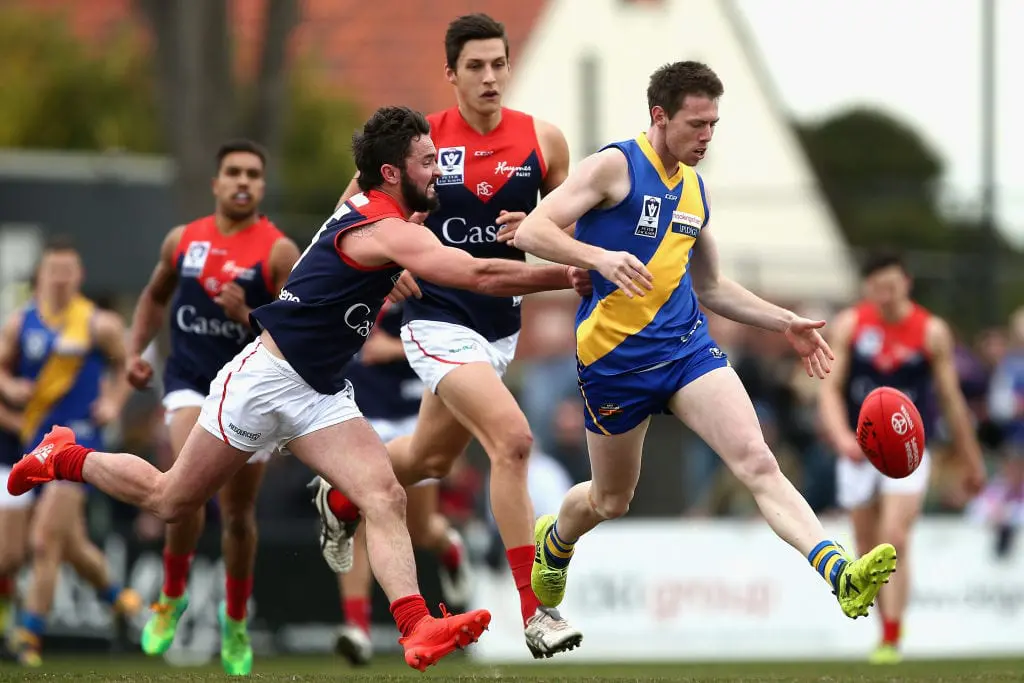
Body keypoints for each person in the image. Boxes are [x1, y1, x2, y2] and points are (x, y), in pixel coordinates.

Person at [6, 105, 582, 673]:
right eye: (428, 163)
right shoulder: (382, 226)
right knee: (171, 498)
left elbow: (387, 235)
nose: (440, 173)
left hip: (321, 394)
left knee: (383, 496)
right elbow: (478, 273)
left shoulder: (384, 217)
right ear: (391, 174)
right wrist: (575, 272)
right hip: (265, 380)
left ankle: (414, 624)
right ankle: (65, 455)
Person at [511, 61, 901, 625]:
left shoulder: (694, 189)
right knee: (610, 501)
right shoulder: (615, 167)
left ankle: (838, 571)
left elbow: (711, 285)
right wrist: (598, 257)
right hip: (614, 365)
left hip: (688, 350)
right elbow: (531, 230)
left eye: (714, 125)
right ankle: (556, 542)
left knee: (758, 461)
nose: (707, 137)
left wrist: (783, 321)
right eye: (696, 124)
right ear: (660, 116)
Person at [319, 13, 584, 658]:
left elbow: (575, 232)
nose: (489, 77)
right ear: (451, 74)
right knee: (514, 441)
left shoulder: (543, 142)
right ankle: (536, 612)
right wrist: (386, 267)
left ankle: (341, 499)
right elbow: (348, 216)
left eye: (498, 63)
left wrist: (542, 230)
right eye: (475, 66)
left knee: (431, 461)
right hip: (435, 320)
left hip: (497, 331)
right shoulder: (422, 138)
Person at [123, 139, 300, 675]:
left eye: (253, 174)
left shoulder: (277, 251)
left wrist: (249, 313)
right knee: (186, 490)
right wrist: (135, 351)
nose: (243, 181)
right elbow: (155, 295)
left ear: (262, 186)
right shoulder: (184, 240)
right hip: (190, 383)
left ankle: (236, 620)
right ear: (217, 182)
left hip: (251, 391)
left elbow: (298, 330)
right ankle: (172, 596)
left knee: (239, 514)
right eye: (234, 173)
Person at [818, 251, 986, 664]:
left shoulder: (930, 332)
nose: (886, 295)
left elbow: (950, 400)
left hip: (909, 448)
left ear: (906, 283)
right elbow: (828, 388)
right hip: (859, 448)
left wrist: (972, 460)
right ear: (867, 289)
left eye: (892, 286)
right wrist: (842, 438)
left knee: (895, 537)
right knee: (865, 543)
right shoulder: (852, 326)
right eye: (878, 287)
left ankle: (892, 635)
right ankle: (883, 631)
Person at [0, 239, 141, 666]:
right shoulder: (19, 324)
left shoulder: (98, 324)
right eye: (53, 270)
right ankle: (122, 602)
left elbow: (126, 366)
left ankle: (28, 637)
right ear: (40, 276)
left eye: (68, 271)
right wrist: (10, 388)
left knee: (45, 541)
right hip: (31, 446)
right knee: (67, 546)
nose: (60, 279)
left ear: (78, 276)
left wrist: (113, 404)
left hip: (77, 445)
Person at [327, 301, 473, 666]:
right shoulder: (354, 269)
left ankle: (448, 545)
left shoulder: (420, 272)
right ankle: (357, 629)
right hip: (359, 411)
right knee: (356, 520)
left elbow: (455, 342)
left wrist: (393, 349)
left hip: (411, 415)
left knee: (420, 528)